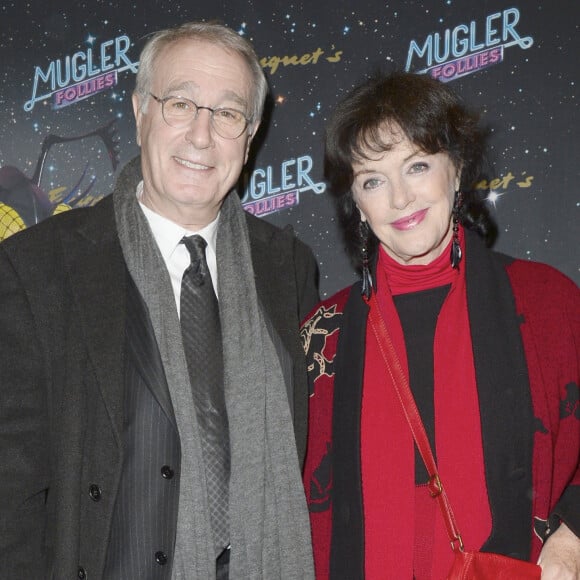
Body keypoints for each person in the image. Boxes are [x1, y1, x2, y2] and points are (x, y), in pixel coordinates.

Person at [0, 22, 318, 579]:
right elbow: (9, 489)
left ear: (251, 134)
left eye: (227, 113)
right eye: (180, 103)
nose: (202, 135)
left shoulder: (287, 267)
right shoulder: (39, 267)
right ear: (140, 111)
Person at [300, 71, 579, 579]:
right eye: (373, 180)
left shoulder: (548, 304)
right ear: (357, 205)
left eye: (418, 166)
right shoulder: (321, 336)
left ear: (456, 169)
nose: (401, 198)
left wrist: (573, 539)